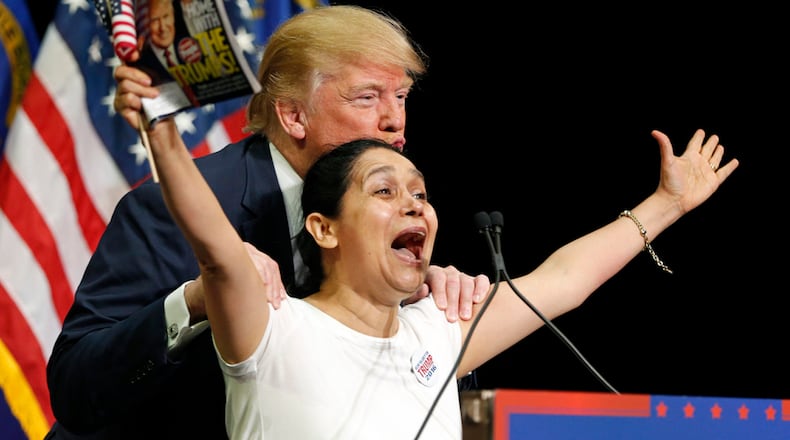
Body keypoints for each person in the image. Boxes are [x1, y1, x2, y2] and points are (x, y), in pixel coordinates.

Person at [45, 5, 489, 439]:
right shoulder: (175, 208)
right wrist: (195, 302)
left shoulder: (382, 213)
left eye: (401, 96)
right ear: (294, 116)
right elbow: (75, 386)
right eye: (368, 97)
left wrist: (428, 314)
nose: (395, 121)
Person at [147, 127, 737, 438]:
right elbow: (219, 254)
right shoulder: (272, 329)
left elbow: (564, 279)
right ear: (323, 229)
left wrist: (667, 204)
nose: (414, 207)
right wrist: (162, 132)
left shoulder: (438, 331)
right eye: (384, 191)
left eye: (421, 194)